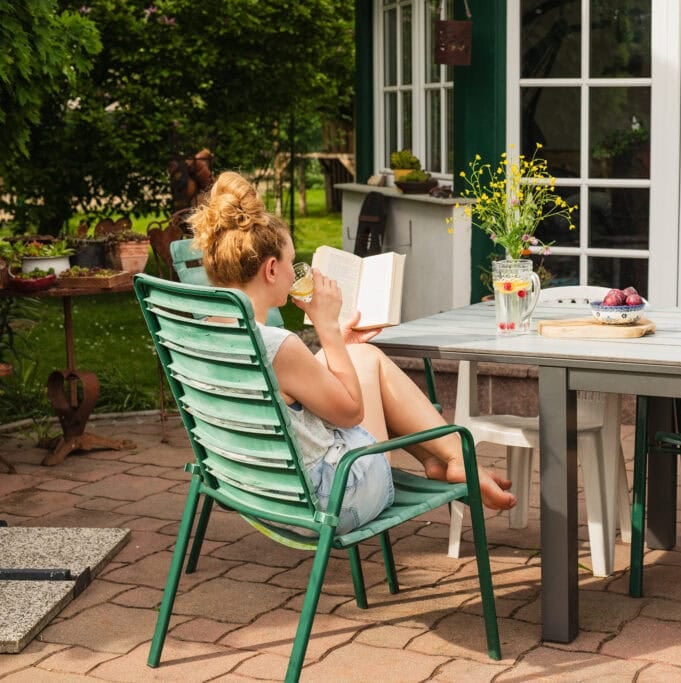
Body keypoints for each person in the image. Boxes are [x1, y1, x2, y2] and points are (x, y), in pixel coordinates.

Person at [188, 171, 515, 533]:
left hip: (255, 493)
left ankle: (442, 459)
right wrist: (328, 329)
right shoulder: (276, 347)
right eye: (293, 263)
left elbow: (290, 391)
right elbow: (351, 412)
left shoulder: (201, 335)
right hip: (332, 500)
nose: (296, 274)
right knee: (367, 359)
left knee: (357, 357)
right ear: (270, 269)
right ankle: (456, 457)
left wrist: (337, 344)